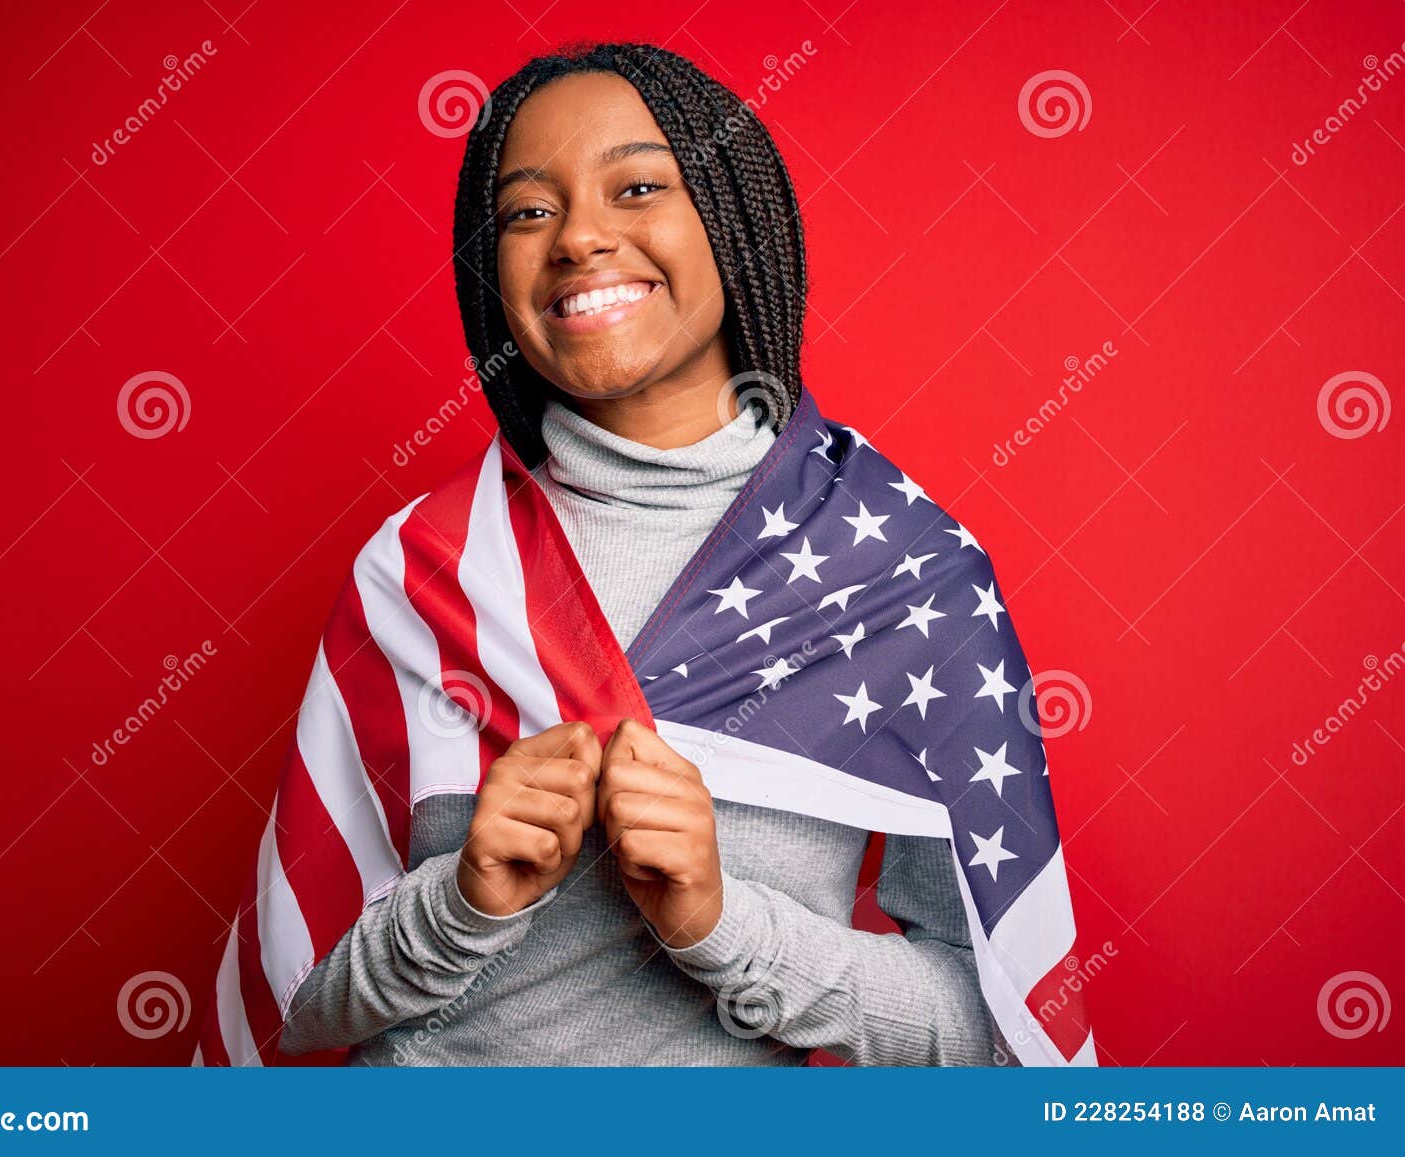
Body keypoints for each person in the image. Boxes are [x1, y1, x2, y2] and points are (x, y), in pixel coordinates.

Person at [275, 42, 1016, 1066]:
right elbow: (293, 1003)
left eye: (637, 186)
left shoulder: (897, 571)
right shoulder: (418, 570)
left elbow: (986, 1028)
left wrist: (719, 923)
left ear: (735, 221)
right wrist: (460, 904)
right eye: (527, 211)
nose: (578, 236)